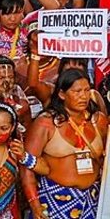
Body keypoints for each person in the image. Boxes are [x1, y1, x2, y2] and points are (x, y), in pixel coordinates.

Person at [21, 69, 107, 219]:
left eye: (87, 90)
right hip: (54, 202)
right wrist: (34, 204)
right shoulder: (46, 123)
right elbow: (26, 165)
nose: (83, 96)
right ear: (61, 94)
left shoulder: (98, 121)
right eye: (77, 91)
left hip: (92, 201)